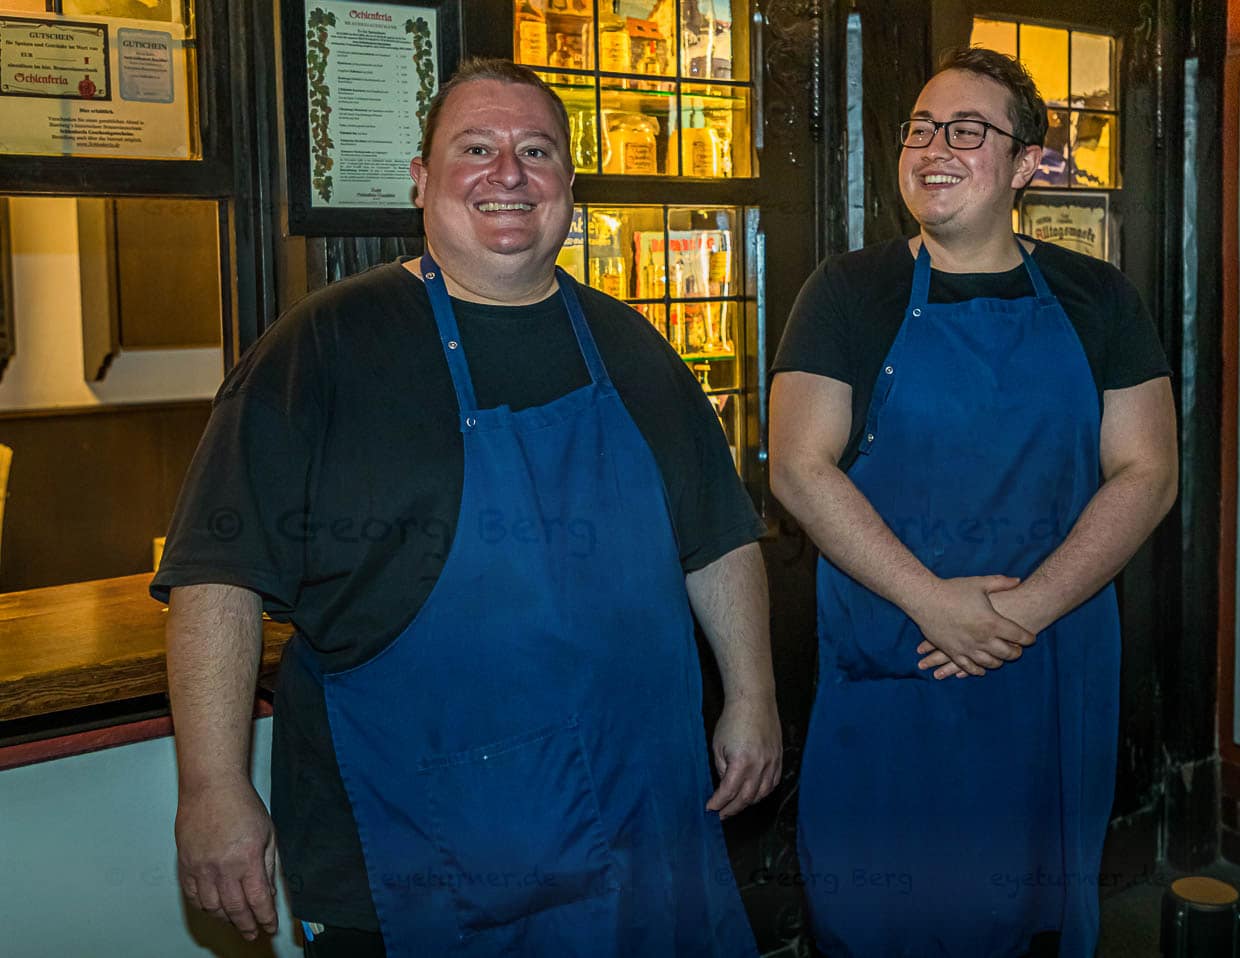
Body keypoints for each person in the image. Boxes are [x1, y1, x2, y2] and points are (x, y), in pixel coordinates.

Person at [152, 57, 780, 958]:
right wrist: (212, 788)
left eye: (536, 151)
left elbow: (717, 538)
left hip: (642, 816)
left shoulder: (632, 344)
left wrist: (753, 695)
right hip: (427, 833)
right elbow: (218, 574)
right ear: (421, 181)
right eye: (475, 148)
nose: (508, 174)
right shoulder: (323, 347)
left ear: (569, 182)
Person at [770, 47, 1177, 958]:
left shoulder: (1098, 298)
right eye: (920, 128)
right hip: (897, 660)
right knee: (878, 910)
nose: (933, 147)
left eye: (967, 129)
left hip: (1047, 666)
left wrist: (1018, 615)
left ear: (1027, 162)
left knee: (1030, 904)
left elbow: (1148, 473)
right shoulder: (847, 291)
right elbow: (799, 467)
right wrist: (931, 602)